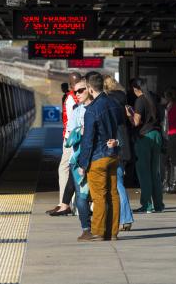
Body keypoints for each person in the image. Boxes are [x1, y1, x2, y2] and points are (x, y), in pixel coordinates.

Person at [77, 71, 124, 241]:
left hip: (97, 157)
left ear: (89, 88)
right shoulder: (114, 103)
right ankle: (112, 232)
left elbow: (88, 140)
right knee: (113, 194)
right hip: (113, 155)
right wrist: (115, 142)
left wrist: (83, 164)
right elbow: (121, 123)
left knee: (99, 196)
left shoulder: (91, 111)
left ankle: (97, 231)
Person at [127, 77, 165, 213]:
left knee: (144, 172)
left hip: (144, 137)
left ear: (135, 88)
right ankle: (159, 204)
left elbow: (136, 122)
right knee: (155, 172)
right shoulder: (153, 98)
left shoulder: (140, 100)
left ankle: (147, 205)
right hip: (156, 135)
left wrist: (129, 114)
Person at [47, 72, 81, 216]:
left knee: (65, 168)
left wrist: (68, 139)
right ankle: (71, 203)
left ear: (71, 84)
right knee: (75, 168)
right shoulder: (84, 95)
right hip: (80, 137)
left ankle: (65, 203)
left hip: (71, 138)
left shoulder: (70, 98)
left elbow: (72, 122)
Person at [103, 75, 134, 231]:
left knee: (117, 183)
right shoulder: (123, 100)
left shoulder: (109, 101)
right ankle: (121, 217)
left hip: (115, 144)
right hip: (123, 143)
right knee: (117, 181)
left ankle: (125, 217)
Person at [66, 79, 93, 239]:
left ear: (89, 89)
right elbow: (71, 136)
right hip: (78, 160)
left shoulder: (93, 109)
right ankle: (86, 228)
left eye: (80, 90)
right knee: (82, 196)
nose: (77, 94)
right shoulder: (76, 111)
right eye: (75, 92)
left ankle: (88, 228)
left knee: (85, 196)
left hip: (92, 158)